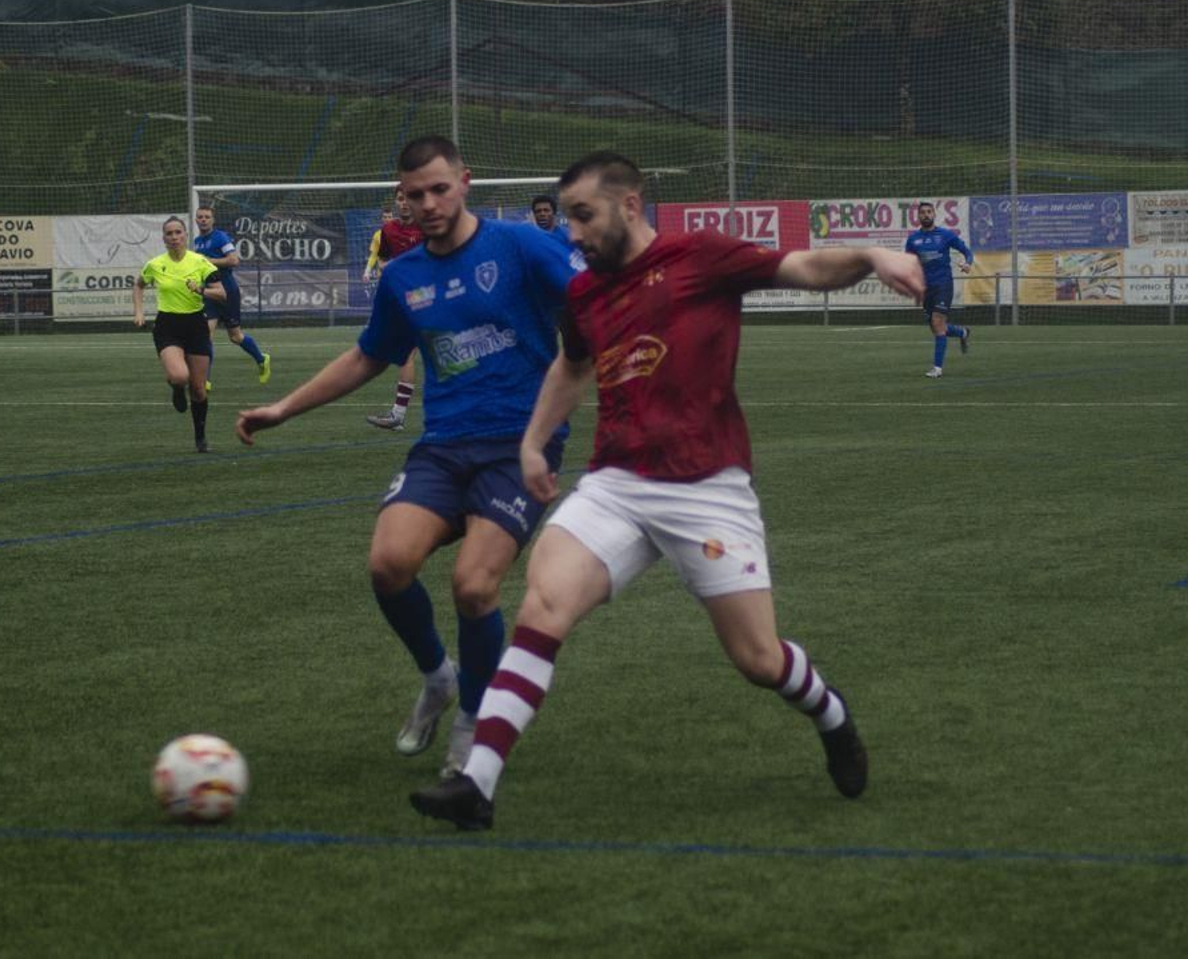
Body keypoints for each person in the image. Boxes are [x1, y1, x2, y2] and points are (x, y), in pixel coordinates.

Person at [410, 151, 925, 831]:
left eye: (584, 216)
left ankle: (831, 714)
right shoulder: (586, 292)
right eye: (567, 219)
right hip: (617, 482)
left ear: (629, 205)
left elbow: (801, 268)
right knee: (542, 605)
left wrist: (871, 254)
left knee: (758, 660)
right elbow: (571, 366)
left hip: (707, 486)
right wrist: (534, 442)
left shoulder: (701, 257)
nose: (572, 234)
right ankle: (476, 785)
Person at [237, 135, 582, 778]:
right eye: (413, 193)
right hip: (444, 446)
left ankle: (475, 722)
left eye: (438, 189)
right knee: (388, 565)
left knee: (474, 587)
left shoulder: (521, 245)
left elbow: (594, 307)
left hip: (519, 446)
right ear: (401, 196)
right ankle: (439, 677)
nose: (426, 203)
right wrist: (284, 408)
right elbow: (370, 354)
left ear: (465, 182)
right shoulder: (402, 276)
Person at [134, 216, 229, 452]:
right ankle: (177, 389)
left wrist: (201, 289)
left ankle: (200, 437)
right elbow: (139, 284)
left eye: (178, 232)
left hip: (196, 326)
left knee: (198, 389)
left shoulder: (201, 262)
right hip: (168, 326)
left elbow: (222, 294)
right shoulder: (155, 264)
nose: (174, 237)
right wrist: (138, 313)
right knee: (179, 376)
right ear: (164, 238)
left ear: (186, 235)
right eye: (170, 234)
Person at [363, 190, 426, 431]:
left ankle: (398, 415)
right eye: (400, 198)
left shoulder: (428, 227)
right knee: (409, 355)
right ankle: (398, 414)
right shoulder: (388, 231)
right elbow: (382, 260)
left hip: (432, 296)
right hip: (408, 299)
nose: (404, 203)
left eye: (409, 197)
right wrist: (391, 269)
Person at [193, 207, 271, 385]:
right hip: (210, 293)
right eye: (200, 217)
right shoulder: (197, 242)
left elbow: (234, 260)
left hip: (228, 292)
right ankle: (205, 380)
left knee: (235, 337)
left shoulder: (221, 237)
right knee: (206, 336)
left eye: (207, 217)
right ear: (196, 220)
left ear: (213, 220)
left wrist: (208, 261)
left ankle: (261, 359)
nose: (203, 220)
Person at [905, 201, 973, 379]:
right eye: (923, 213)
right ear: (918, 216)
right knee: (936, 327)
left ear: (934, 214)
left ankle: (937, 368)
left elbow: (967, 251)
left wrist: (967, 263)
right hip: (925, 288)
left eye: (929, 212)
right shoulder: (913, 240)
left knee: (937, 322)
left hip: (943, 285)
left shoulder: (945, 235)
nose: (926, 215)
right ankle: (962, 332)